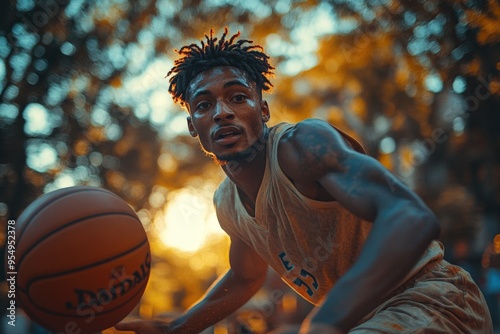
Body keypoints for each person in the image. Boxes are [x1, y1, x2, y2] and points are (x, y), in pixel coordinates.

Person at [115, 28, 493, 333]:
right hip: (363, 321)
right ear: (193, 126)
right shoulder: (226, 203)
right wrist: (179, 327)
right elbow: (246, 278)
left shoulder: (302, 147)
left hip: (434, 298)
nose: (222, 112)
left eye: (237, 97)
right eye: (204, 105)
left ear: (262, 110)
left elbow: (412, 217)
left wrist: (327, 318)